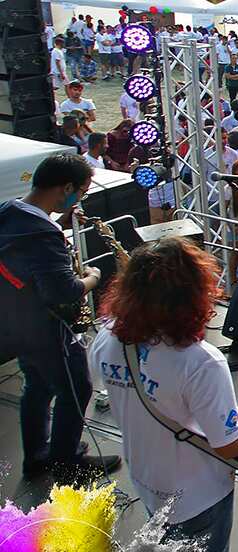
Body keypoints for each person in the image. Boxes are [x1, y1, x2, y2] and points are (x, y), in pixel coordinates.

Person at [89, 238, 238, 551]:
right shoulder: (200, 362)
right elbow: (231, 443)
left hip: (147, 480)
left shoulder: (106, 336)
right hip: (199, 497)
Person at [0, 153, 120, 481]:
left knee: (37, 386)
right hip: (46, 327)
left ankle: (37, 455)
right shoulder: (42, 231)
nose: (78, 199)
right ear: (66, 187)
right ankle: (66, 462)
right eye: (80, 192)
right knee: (76, 387)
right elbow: (62, 291)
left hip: (14, 324)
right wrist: (92, 277)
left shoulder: (9, 211)